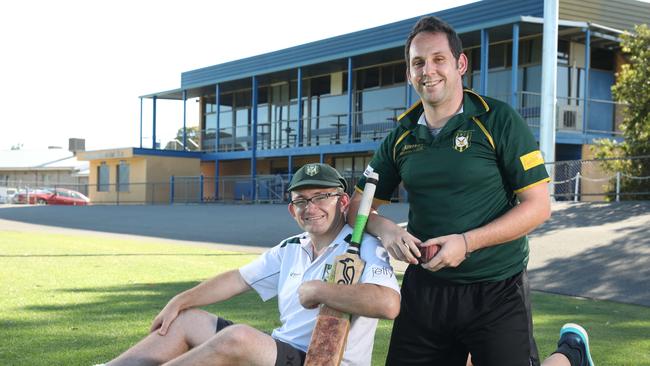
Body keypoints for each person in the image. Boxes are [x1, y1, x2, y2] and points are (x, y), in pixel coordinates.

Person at [349, 16, 554, 366]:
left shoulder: (497, 120)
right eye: (418, 63)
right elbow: (357, 207)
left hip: (497, 287)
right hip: (426, 289)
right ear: (409, 73)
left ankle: (570, 353)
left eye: (438, 59)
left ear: (460, 64)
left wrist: (467, 242)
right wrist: (387, 230)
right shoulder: (400, 136)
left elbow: (538, 207)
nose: (428, 70)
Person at [101, 163, 400, 366]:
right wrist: (178, 301)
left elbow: (388, 305)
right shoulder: (291, 248)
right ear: (291, 209)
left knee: (238, 336)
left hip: (322, 359)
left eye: (322, 197)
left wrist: (319, 291)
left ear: (344, 202)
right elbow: (237, 279)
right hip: (281, 350)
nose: (311, 208)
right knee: (186, 319)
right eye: (301, 200)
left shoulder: (365, 245)